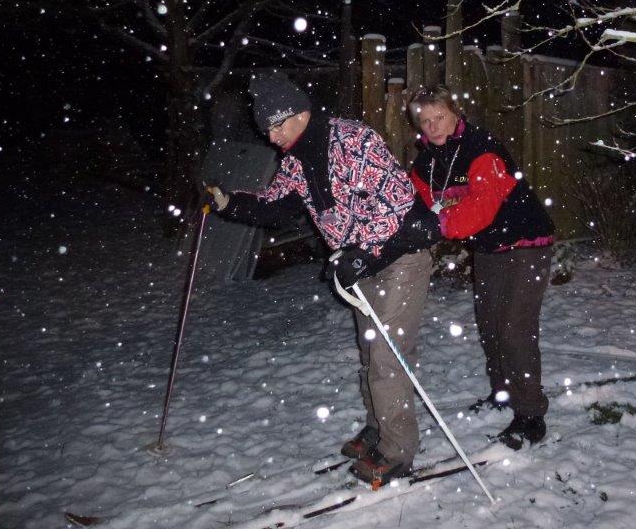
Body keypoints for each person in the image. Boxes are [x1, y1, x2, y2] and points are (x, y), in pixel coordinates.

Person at [208, 71, 440, 485]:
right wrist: (230, 203)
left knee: (389, 359)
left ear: (300, 113)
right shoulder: (295, 162)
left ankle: (397, 450)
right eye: (266, 129)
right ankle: (377, 427)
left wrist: (362, 254)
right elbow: (275, 206)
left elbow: (397, 210)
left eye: (278, 124)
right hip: (359, 265)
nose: (272, 136)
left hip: (401, 257)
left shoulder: (354, 141)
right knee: (370, 353)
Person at [406, 85, 555, 450]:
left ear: (455, 112)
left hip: (525, 242)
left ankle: (531, 413)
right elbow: (413, 202)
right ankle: (502, 393)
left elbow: (482, 207)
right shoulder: (427, 161)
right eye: (425, 121)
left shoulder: (482, 149)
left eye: (439, 116)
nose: (433, 126)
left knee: (514, 328)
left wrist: (438, 226)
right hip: (488, 246)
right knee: (489, 323)